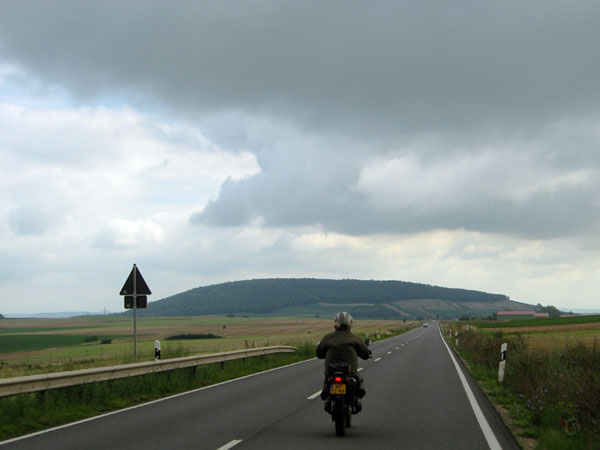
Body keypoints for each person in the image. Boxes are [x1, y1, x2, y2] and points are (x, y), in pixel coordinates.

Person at [316, 311, 371, 411]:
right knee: (359, 380)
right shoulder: (355, 338)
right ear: (349, 325)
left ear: (335, 325)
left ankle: (327, 395)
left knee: (327, 379)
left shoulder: (327, 338)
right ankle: (357, 400)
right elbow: (365, 355)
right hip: (350, 372)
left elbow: (319, 354)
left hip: (331, 372)